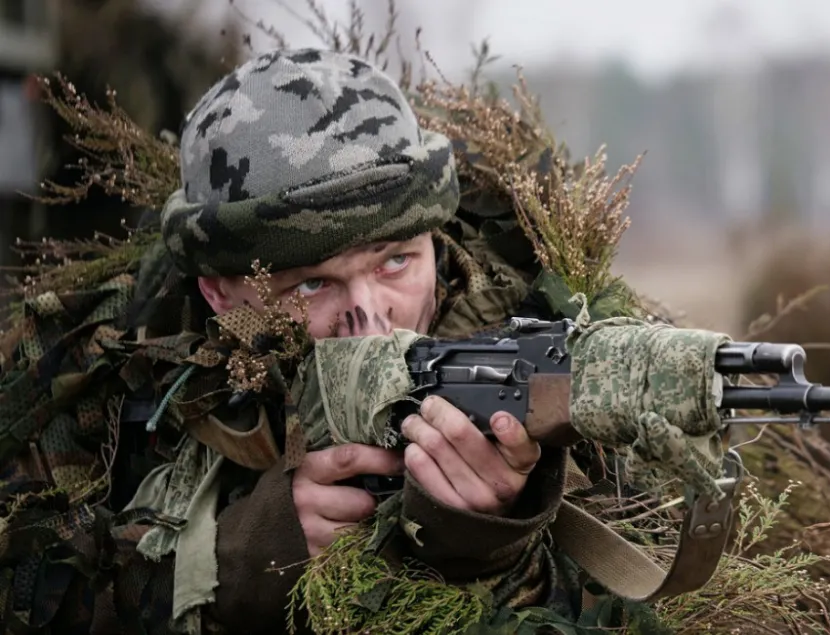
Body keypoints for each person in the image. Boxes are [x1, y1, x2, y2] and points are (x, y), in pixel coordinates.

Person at [0, 48, 592, 634]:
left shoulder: (534, 346)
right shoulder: (101, 365)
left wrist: (490, 543)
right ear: (220, 295)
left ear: (434, 242)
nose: (371, 321)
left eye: (396, 263)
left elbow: (631, 605)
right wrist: (232, 562)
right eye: (312, 283)